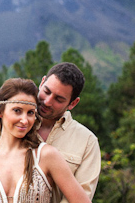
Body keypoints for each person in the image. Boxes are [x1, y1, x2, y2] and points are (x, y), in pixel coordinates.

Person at [0, 78, 91, 203]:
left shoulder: (46, 156)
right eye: (17, 111)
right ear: (1, 112)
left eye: (30, 113)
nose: (25, 120)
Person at [36, 63, 101, 202]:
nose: (47, 102)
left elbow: (81, 197)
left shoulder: (87, 142)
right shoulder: (17, 125)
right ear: (42, 83)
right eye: (46, 92)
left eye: (58, 99)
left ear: (73, 103)